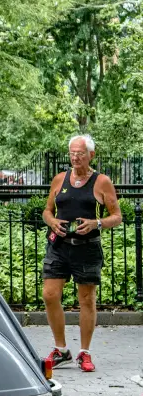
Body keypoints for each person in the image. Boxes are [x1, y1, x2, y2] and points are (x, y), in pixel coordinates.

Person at [42, 135, 121, 372]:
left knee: (86, 300)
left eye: (80, 153)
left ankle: (84, 353)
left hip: (87, 249)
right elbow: (47, 210)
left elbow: (116, 216)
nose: (75, 157)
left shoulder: (102, 182)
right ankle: (61, 349)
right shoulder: (60, 179)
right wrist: (53, 221)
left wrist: (97, 223)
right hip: (58, 246)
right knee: (49, 294)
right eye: (72, 153)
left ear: (91, 155)